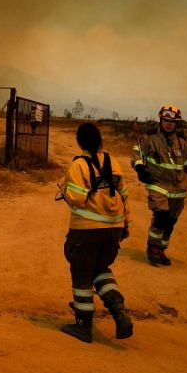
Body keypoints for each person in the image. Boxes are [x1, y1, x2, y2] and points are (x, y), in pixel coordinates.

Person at [58, 122, 134, 343]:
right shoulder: (113, 162)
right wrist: (126, 224)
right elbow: (124, 195)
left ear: (79, 141)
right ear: (100, 140)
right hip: (113, 228)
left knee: (82, 273)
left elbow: (77, 199)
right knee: (101, 269)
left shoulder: (79, 165)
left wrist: (64, 187)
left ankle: (83, 325)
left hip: (87, 230)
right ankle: (119, 311)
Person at [131, 104, 187, 266]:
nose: (169, 124)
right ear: (161, 120)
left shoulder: (182, 141)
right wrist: (140, 168)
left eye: (172, 121)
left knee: (170, 221)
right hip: (157, 183)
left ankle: (161, 249)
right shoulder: (150, 138)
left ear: (176, 123)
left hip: (178, 188)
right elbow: (137, 152)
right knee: (161, 216)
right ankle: (152, 248)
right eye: (166, 120)